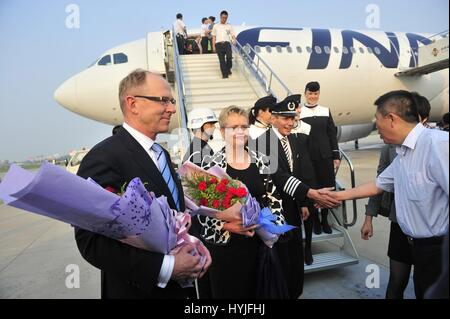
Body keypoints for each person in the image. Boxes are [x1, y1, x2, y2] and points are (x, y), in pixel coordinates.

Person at [74, 69, 211, 299]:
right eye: (163, 100)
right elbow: (91, 241)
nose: (172, 108)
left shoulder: (162, 155)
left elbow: (177, 215)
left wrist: (194, 245)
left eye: (172, 100)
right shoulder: (104, 157)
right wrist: (165, 268)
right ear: (133, 103)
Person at [322, 90, 449, 299]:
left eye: (378, 122)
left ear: (392, 119)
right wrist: (335, 197)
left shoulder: (438, 145)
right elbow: (378, 185)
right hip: (415, 246)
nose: (377, 130)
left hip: (437, 249)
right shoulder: (403, 152)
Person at [196, 106, 289, 298]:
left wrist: (273, 228)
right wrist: (227, 226)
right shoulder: (210, 166)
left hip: (259, 248)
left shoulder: (262, 161)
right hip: (226, 253)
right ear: (222, 132)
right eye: (234, 127)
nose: (240, 132)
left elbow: (274, 200)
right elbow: (202, 213)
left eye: (244, 127)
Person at [257, 95, 340, 298]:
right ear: (273, 118)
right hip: (275, 212)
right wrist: (311, 193)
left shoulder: (292, 139)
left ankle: (294, 292)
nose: (291, 123)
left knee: (295, 256)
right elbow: (279, 176)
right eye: (286, 118)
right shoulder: (263, 142)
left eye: (293, 119)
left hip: (293, 207)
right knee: (281, 258)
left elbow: (299, 173)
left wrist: (303, 203)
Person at [362, 92, 432, 299]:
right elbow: (379, 183)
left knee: (425, 285)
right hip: (400, 224)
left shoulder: (437, 146)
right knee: (396, 282)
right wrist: (368, 217)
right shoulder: (391, 148)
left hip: (430, 234)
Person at [300, 81, 340, 235]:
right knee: (313, 188)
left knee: (327, 188)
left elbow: (332, 134)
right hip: (308, 157)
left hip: (325, 156)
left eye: (316, 94)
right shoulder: (301, 112)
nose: (313, 96)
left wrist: (335, 155)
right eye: (310, 93)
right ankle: (315, 220)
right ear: (306, 94)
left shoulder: (325, 110)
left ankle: (324, 219)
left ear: (319, 94)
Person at [291, 100, 316, 265]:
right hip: (291, 174)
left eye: (299, 108)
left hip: (307, 174)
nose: (297, 112)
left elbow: (312, 152)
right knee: (295, 214)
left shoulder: (306, 127)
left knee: (309, 214)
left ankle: (308, 247)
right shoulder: (283, 129)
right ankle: (298, 247)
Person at [212, 10, 236, 79]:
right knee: (222, 60)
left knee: (229, 57)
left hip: (227, 43)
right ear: (220, 17)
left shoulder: (229, 26)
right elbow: (213, 36)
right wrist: (213, 46)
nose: (224, 19)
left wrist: (234, 40)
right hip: (218, 44)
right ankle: (225, 75)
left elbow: (233, 34)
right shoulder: (215, 26)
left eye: (226, 18)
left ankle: (228, 69)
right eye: (223, 17)